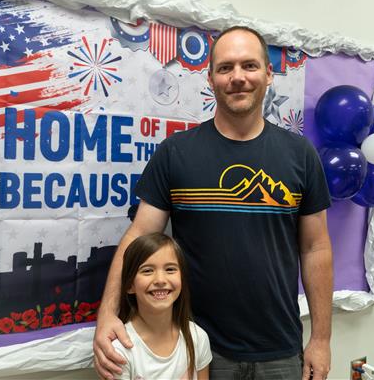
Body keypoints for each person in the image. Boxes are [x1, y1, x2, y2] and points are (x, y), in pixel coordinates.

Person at [94, 26, 333, 380]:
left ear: (269, 74)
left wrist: (322, 338)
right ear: (210, 78)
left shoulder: (300, 155)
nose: (238, 77)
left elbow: (315, 248)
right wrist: (107, 315)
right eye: (225, 68)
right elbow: (138, 236)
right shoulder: (176, 153)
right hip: (200, 349)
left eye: (249, 66)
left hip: (280, 350)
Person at [112, 233, 211, 379]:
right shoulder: (119, 351)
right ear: (130, 285)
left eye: (170, 269)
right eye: (147, 271)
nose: (160, 280)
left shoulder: (198, 337)